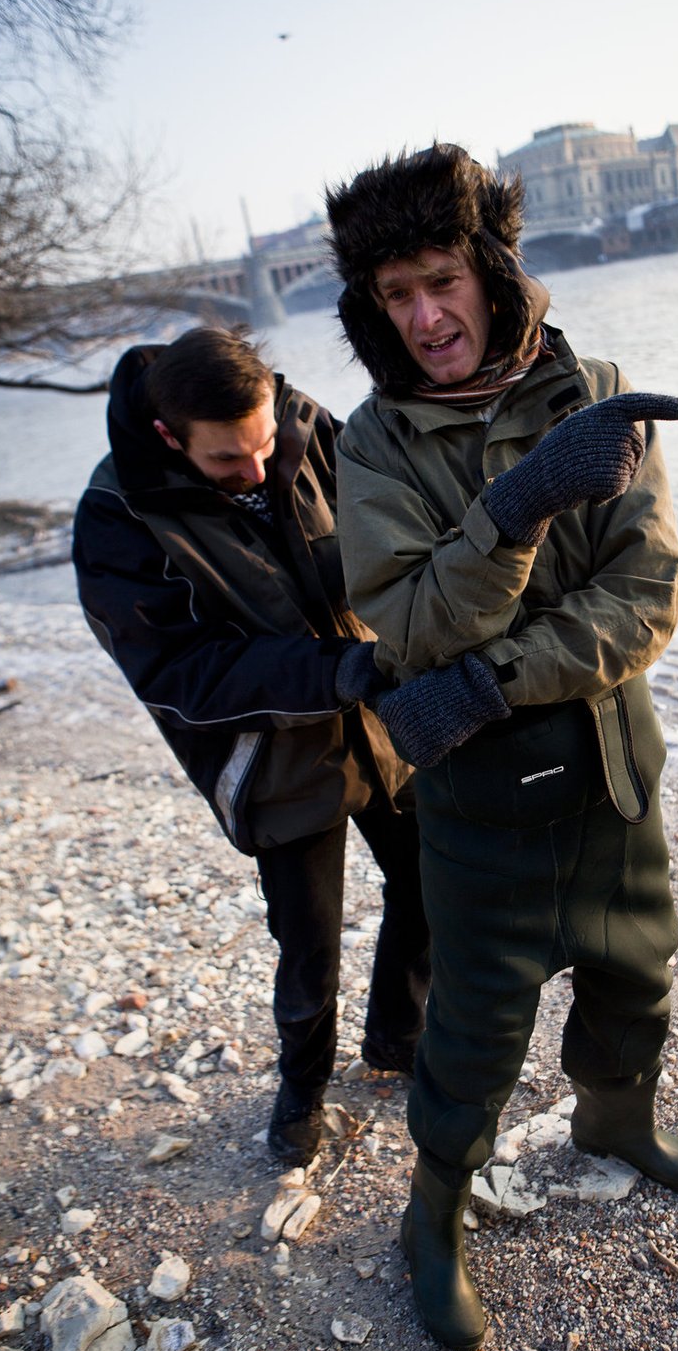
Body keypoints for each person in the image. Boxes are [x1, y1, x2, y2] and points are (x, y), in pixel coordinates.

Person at [325, 143, 678, 1351]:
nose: (427, 316)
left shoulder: (594, 387)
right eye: (397, 294)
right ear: (372, 305)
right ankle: (430, 1217)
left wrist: (488, 674)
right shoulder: (375, 444)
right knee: (477, 1028)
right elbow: (408, 621)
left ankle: (614, 1119)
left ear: (491, 267)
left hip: (610, 771)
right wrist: (520, 505)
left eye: (443, 278)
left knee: (636, 972)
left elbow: (647, 595)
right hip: (480, 806)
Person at [72, 326, 430, 1168]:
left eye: (264, 446)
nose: (259, 472)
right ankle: (302, 1086)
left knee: (431, 881)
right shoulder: (117, 515)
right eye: (231, 461)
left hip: (382, 713)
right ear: (170, 438)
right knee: (309, 940)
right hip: (273, 757)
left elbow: (394, 534)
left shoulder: (307, 425)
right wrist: (334, 671)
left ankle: (398, 1038)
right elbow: (178, 673)